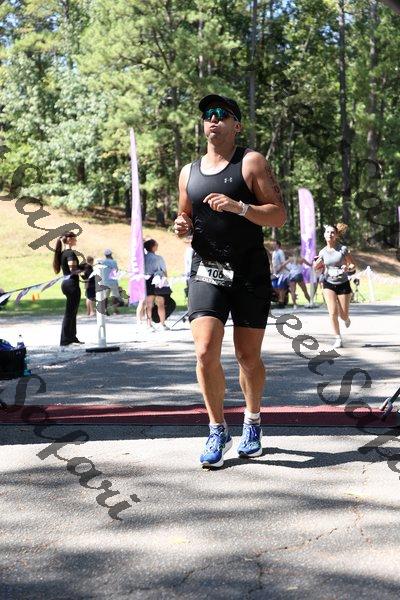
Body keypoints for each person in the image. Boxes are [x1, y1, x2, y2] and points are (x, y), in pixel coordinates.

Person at [174, 93, 286, 468]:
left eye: (221, 114)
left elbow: (279, 215)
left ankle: (252, 422)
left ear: (236, 125)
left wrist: (240, 207)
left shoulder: (251, 162)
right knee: (205, 350)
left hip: (249, 270)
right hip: (209, 268)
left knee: (247, 357)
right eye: (208, 114)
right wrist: (181, 225)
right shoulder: (188, 172)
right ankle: (217, 429)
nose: (213, 119)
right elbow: (185, 216)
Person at [314, 223, 355, 349]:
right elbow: (317, 268)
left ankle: (346, 319)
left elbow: (353, 265)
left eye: (332, 232)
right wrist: (316, 265)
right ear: (324, 235)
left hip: (343, 283)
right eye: (327, 232)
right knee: (332, 312)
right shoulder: (322, 252)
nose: (330, 234)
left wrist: (347, 268)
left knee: (343, 315)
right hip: (328, 283)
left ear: (336, 235)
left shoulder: (342, 249)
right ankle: (338, 338)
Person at [53, 231, 84, 346]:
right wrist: (85, 269)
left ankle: (72, 337)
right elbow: (73, 270)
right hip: (72, 285)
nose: (76, 240)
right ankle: (65, 339)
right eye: (75, 238)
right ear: (69, 240)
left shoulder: (63, 253)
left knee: (73, 311)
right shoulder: (70, 253)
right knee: (70, 312)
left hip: (66, 284)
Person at [144, 239, 170, 330]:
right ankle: (162, 324)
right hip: (158, 280)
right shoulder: (158, 258)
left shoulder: (143, 258)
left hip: (147, 280)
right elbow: (164, 270)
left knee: (149, 304)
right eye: (156, 244)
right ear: (153, 247)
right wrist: (166, 278)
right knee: (161, 304)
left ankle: (149, 325)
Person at [100, 249, 121, 315]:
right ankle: (115, 310)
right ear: (110, 254)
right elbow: (116, 270)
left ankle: (105, 310)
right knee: (115, 296)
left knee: (105, 297)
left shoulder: (103, 262)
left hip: (105, 281)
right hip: (113, 281)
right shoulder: (113, 261)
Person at [271, 241, 289, 307]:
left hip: (282, 273)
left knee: (280, 286)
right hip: (276, 274)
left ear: (278, 245)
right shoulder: (274, 253)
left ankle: (281, 302)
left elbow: (283, 263)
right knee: (274, 286)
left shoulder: (280, 252)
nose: (273, 245)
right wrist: (273, 270)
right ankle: (281, 299)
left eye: (274, 244)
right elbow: (273, 263)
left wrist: (278, 270)